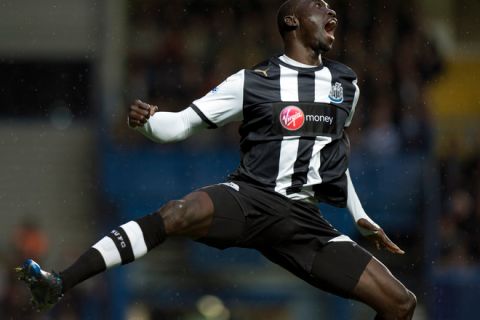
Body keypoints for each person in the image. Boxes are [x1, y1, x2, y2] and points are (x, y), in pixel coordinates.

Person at [17, 0, 417, 318]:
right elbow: (178, 126)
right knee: (175, 213)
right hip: (251, 197)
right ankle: (59, 282)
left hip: (304, 222)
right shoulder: (252, 81)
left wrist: (360, 214)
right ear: (293, 21)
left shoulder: (346, 85)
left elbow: (331, 156)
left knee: (400, 303)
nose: (331, 11)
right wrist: (146, 124)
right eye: (318, 4)